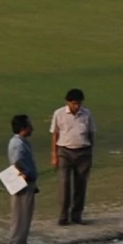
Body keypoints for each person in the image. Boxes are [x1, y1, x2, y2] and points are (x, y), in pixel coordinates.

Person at [50, 87, 96, 223]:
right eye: (74, 103)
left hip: (83, 152)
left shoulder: (86, 114)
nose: (77, 106)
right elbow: (55, 135)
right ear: (68, 102)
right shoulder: (59, 114)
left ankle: (76, 215)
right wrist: (54, 155)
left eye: (79, 103)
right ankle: (63, 216)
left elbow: (91, 133)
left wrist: (90, 152)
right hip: (65, 151)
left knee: (80, 185)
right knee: (64, 185)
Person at [5, 114, 42, 244]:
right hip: (22, 184)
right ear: (23, 128)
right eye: (29, 125)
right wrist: (24, 176)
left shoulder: (21, 142)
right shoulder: (18, 144)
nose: (32, 128)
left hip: (26, 183)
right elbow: (17, 161)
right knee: (21, 217)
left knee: (24, 217)